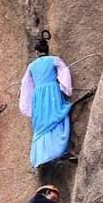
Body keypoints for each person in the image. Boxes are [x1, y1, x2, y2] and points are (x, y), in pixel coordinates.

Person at [19, 30, 73, 168]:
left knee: (42, 123)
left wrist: (27, 103)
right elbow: (64, 72)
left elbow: (25, 84)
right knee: (56, 118)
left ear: (37, 52)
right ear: (47, 49)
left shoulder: (32, 66)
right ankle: (57, 150)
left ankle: (42, 155)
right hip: (52, 93)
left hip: (38, 96)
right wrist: (65, 88)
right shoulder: (54, 60)